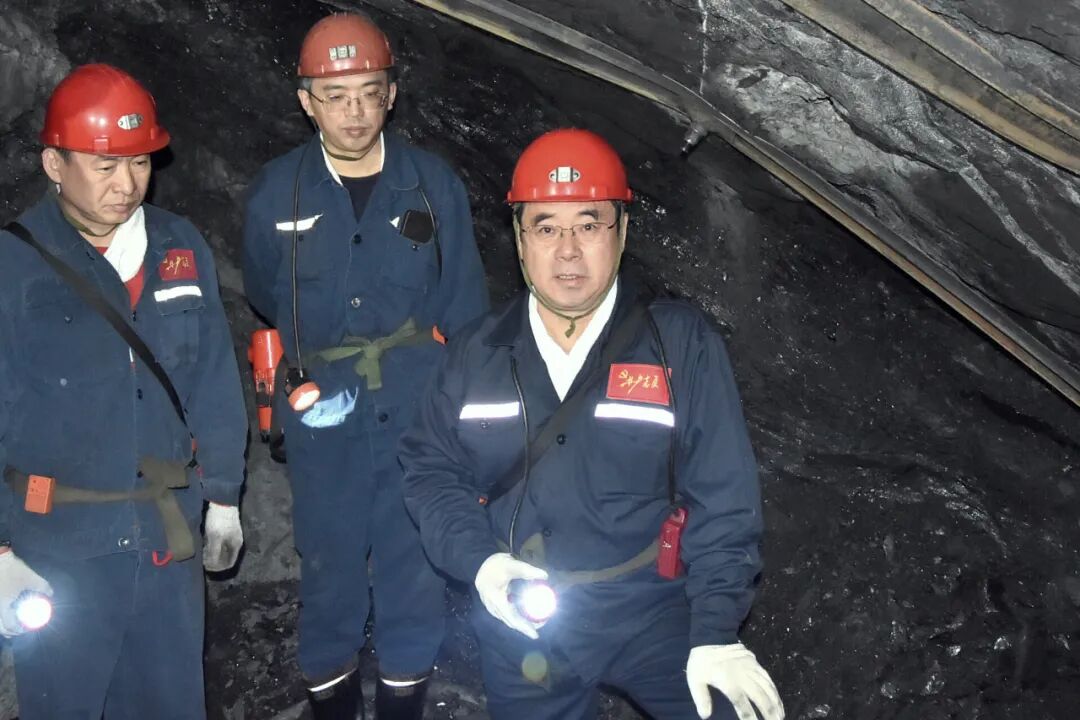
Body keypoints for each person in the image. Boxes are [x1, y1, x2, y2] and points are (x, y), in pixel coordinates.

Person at [399, 129, 785, 720]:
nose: (568, 250)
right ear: (520, 240)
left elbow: (724, 497)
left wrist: (715, 631)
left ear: (622, 232)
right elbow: (430, 471)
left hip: (654, 613)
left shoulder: (679, 343)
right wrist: (481, 563)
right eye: (546, 228)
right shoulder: (475, 354)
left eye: (589, 224)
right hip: (523, 619)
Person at [242, 12, 490, 719]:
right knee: (328, 568)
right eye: (335, 95)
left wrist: (468, 426)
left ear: (391, 95)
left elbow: (467, 306)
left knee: (415, 569)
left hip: (418, 406)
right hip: (322, 410)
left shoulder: (432, 185)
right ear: (307, 101)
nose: (353, 112)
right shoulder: (276, 192)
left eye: (368, 93)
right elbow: (263, 288)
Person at [0, 63, 247, 719]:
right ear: (54, 164)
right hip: (58, 551)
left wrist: (224, 496)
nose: (126, 183)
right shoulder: (13, 264)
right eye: (104, 165)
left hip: (166, 541)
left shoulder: (179, 245)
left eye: (139, 162)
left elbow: (213, 378)